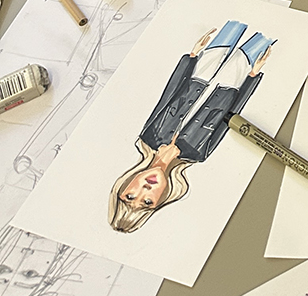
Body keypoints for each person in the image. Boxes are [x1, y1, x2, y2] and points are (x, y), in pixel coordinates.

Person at [109, 22, 274, 231]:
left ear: (125, 184)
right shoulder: (197, 154)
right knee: (266, 37)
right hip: (233, 83)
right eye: (147, 202)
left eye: (130, 196)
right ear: (162, 198)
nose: (145, 189)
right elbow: (232, 116)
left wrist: (191, 56)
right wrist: (252, 77)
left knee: (234, 26)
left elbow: (168, 95)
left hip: (201, 71)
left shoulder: (148, 136)